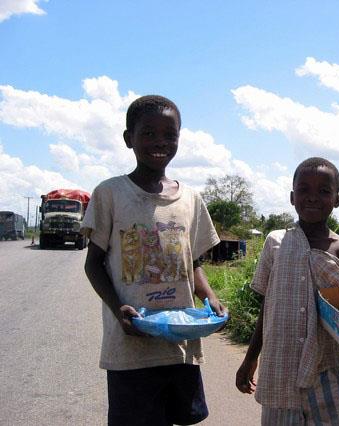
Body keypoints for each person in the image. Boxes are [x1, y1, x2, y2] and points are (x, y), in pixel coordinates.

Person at [83, 95, 226, 426]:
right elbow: (93, 264)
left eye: (170, 134)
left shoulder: (190, 199)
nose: (160, 142)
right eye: (148, 133)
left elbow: (193, 262)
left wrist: (209, 295)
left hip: (179, 347)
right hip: (131, 347)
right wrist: (119, 309)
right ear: (128, 138)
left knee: (181, 418)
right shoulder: (111, 194)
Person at [235, 157, 339, 426]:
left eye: (324, 191)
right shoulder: (276, 243)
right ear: (292, 197)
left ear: (337, 200)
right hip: (280, 367)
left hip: (327, 369)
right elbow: (268, 306)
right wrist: (250, 358)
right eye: (304, 190)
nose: (313, 197)